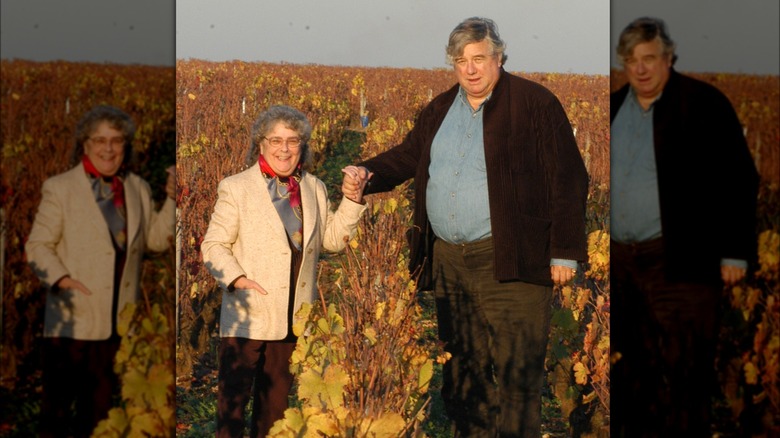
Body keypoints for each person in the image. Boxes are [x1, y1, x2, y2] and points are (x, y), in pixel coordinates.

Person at [342, 17, 589, 437]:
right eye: (461, 61)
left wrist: (564, 251)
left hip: (513, 259)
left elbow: (568, 178)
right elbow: (408, 156)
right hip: (451, 263)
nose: (471, 69)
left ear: (498, 58)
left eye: (479, 58)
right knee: (463, 369)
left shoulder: (535, 104)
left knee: (517, 374)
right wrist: (367, 173)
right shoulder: (440, 108)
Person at [609, 17, 759, 437]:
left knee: (685, 373)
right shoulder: (615, 106)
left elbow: (739, 178)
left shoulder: (704, 104)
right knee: (633, 374)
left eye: (650, 58)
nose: (640, 68)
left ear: (669, 58)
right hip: (623, 267)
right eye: (631, 60)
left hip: (681, 262)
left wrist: (734, 251)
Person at [200, 105, 366, 437]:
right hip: (248, 313)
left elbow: (331, 240)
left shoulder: (314, 187)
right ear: (260, 144)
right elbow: (214, 245)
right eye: (275, 140)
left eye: (293, 140)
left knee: (274, 410)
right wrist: (237, 279)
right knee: (232, 408)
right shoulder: (236, 188)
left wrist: (352, 201)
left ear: (303, 146)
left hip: (293, 316)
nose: (284, 148)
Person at [25, 105, 176, 437]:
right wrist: (63, 280)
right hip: (72, 323)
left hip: (119, 324)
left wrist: (172, 201)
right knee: (57, 416)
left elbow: (154, 241)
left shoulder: (136, 188)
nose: (108, 149)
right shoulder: (61, 188)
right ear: (85, 144)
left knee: (100, 416)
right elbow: (37, 246)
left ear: (126, 144)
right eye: (100, 140)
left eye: (117, 140)